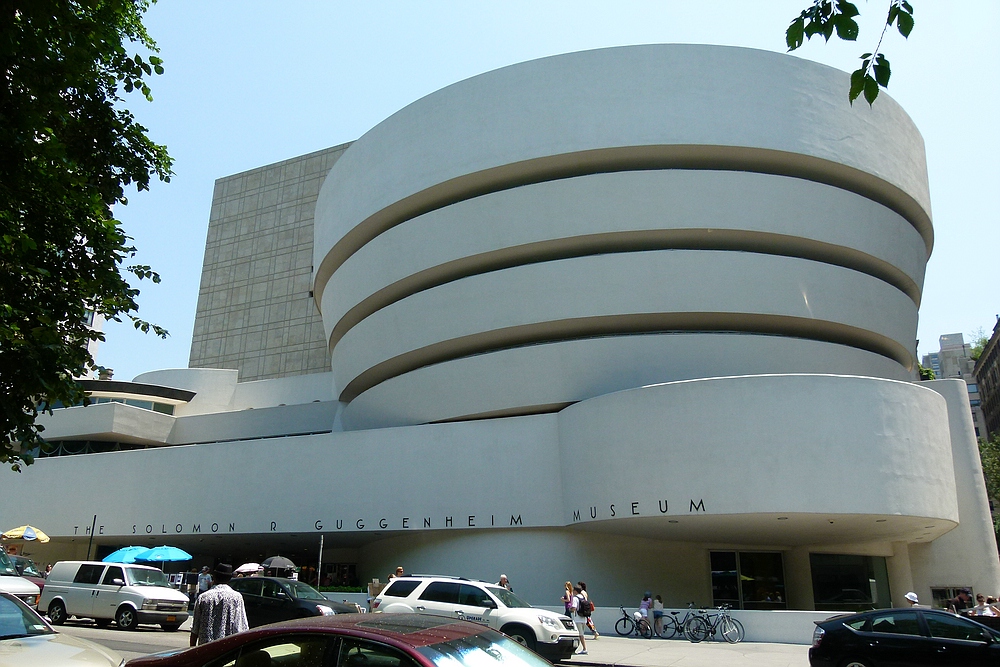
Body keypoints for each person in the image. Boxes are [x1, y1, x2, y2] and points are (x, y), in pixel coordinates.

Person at [190, 564, 248, 646]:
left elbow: (195, 628)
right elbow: (240, 627)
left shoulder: (203, 597)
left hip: (205, 648)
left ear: (214, 578)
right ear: (229, 579)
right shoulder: (236, 597)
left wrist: (192, 651)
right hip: (226, 649)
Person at [572, 586, 588, 655]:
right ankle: (581, 648)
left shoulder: (575, 598)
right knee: (581, 634)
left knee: (580, 635)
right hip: (584, 618)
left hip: (578, 619)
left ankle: (584, 649)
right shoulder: (583, 597)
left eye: (573, 590)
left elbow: (574, 608)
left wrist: (570, 609)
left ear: (575, 591)